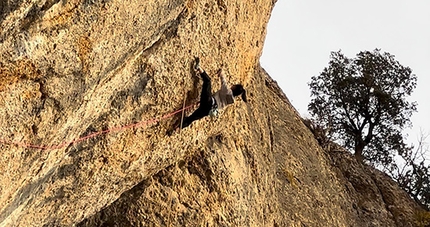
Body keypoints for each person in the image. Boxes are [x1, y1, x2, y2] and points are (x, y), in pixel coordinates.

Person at [181, 58, 247, 128]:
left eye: (234, 85)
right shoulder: (231, 100)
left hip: (209, 102)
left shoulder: (228, 91)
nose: (232, 85)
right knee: (191, 118)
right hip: (208, 110)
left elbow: (223, 81)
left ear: (234, 88)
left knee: (208, 81)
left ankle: (198, 67)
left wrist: (221, 73)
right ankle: (178, 127)